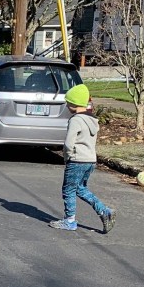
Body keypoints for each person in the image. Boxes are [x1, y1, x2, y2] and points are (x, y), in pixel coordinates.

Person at [49, 84, 116, 233]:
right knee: (80, 188)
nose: (67, 105)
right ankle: (104, 211)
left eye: (68, 102)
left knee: (68, 190)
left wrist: (66, 157)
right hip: (90, 160)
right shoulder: (92, 120)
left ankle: (70, 221)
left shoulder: (76, 120)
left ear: (74, 103)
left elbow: (69, 143)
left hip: (76, 160)